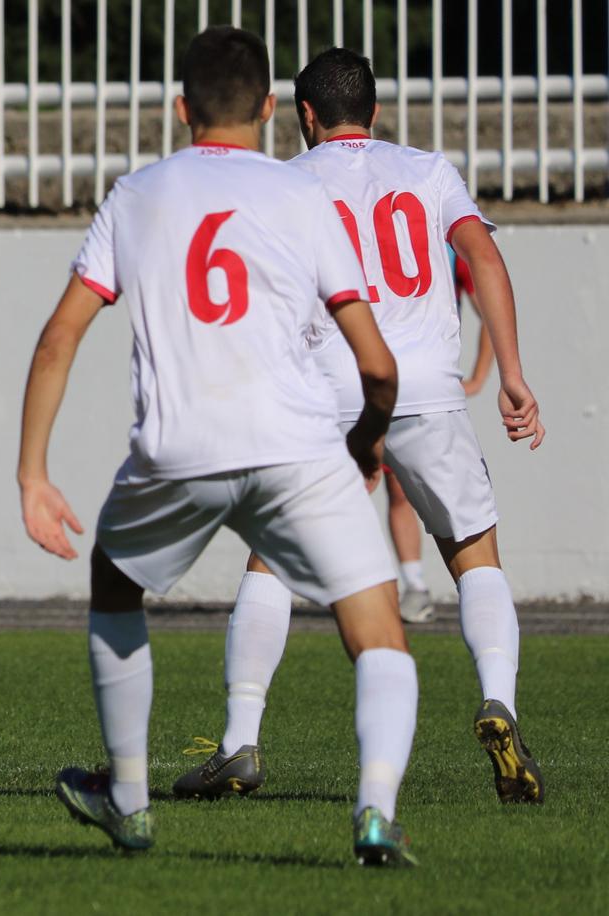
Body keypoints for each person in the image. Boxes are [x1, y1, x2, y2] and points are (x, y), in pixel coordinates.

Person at [18, 27, 419, 865]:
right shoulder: (302, 195)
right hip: (298, 447)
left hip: (179, 448)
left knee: (114, 584)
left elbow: (58, 339)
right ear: (272, 109)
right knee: (378, 629)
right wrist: (367, 440)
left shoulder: (137, 195)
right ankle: (376, 811)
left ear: (180, 108)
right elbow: (378, 365)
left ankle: (129, 800)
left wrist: (33, 474)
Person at [173, 47, 544, 810]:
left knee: (271, 561)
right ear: (374, 111)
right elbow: (483, 256)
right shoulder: (428, 172)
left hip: (325, 391)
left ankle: (241, 739)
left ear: (304, 115)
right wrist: (511, 373)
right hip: (427, 387)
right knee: (473, 554)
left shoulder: (283, 182)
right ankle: (498, 702)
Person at [390, 248, 494, 624]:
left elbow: (487, 305)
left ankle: (414, 585)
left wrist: (480, 377)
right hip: (383, 381)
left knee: (404, 491)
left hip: (407, 385)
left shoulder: (446, 243)